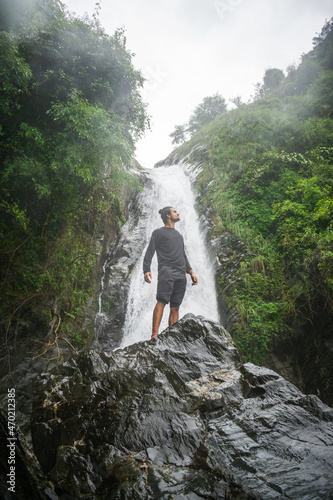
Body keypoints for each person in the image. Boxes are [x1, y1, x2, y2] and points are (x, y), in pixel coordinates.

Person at [143, 206, 198, 338]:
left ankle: (172, 337)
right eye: (174, 211)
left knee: (175, 307)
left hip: (181, 274)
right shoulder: (158, 233)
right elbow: (150, 252)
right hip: (167, 271)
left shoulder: (179, 236)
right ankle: (154, 335)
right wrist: (146, 270)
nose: (178, 213)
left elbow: (183, 256)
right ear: (168, 215)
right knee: (161, 301)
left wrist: (191, 272)